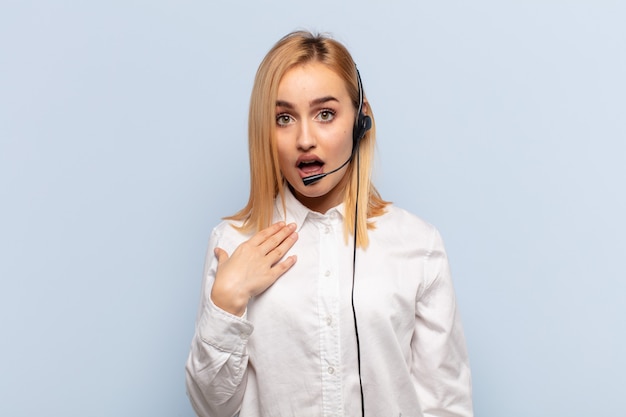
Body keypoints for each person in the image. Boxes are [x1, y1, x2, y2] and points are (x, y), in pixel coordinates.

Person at [185, 31, 473, 417]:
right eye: (284, 118)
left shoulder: (418, 243)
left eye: (325, 114)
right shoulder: (232, 241)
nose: (305, 139)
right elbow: (211, 409)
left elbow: (446, 404)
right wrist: (227, 301)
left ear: (360, 120)